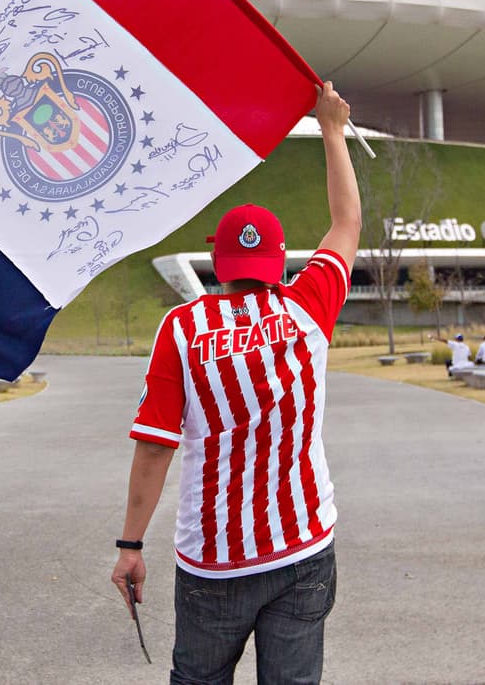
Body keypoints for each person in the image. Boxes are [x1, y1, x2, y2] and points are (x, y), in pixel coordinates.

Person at [110, 81, 360, 684]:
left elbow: (155, 445)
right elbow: (347, 222)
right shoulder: (308, 309)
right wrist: (331, 130)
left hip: (214, 560)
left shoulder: (184, 328)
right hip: (302, 546)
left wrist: (131, 546)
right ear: (278, 265)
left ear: (219, 265)